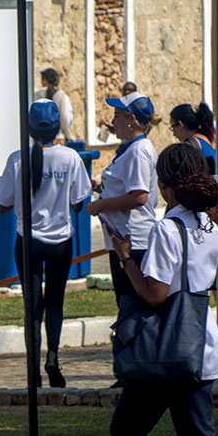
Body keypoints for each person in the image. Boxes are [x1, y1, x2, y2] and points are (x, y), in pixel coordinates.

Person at [108, 143, 218, 436]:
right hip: (202, 348)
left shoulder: (166, 229)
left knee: (126, 431)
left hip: (166, 352)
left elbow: (156, 293)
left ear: (166, 186)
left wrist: (127, 261)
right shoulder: (211, 228)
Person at [0, 100, 92, 387]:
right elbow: (78, 203)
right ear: (57, 126)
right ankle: (53, 358)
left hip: (28, 242)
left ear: (29, 128)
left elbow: (2, 205)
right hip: (61, 242)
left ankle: (32, 368)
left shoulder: (17, 159)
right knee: (55, 303)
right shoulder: (71, 158)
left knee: (32, 305)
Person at [86, 91, 159, 306]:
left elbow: (139, 196)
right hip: (122, 239)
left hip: (132, 241)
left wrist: (100, 204)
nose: (112, 121)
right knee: (126, 304)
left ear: (132, 120)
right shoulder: (131, 149)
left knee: (131, 306)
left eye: (117, 115)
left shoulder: (138, 151)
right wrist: (101, 188)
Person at [169, 103, 216, 171]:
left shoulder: (191, 145)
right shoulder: (206, 139)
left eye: (173, 127)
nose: (174, 133)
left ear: (180, 124)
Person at [34, 67, 74, 141]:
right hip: (57, 136)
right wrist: (68, 135)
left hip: (42, 135)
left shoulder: (38, 94)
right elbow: (63, 117)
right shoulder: (60, 95)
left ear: (45, 80)